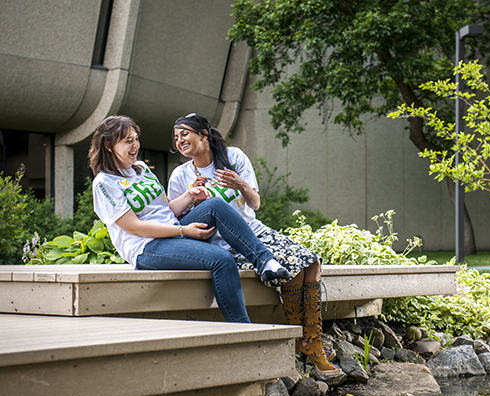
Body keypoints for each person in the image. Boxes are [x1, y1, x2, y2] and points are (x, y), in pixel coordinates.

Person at [167, 113, 343, 380]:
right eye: (176, 137)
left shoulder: (234, 157)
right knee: (293, 269)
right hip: (226, 243)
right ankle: (305, 342)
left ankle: (311, 339)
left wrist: (240, 183)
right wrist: (191, 198)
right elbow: (178, 222)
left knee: (311, 262)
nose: (180, 141)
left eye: (185, 134)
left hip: (256, 232)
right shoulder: (181, 175)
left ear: (203, 134)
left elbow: (255, 203)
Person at [88, 115, 292, 324]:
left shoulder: (140, 168)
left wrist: (190, 195)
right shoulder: (105, 183)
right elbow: (135, 227)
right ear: (109, 146)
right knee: (222, 259)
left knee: (215, 205)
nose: (135, 145)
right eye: (127, 141)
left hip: (172, 232)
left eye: (136, 138)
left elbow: (165, 210)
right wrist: (184, 232)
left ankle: (266, 262)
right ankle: (242, 330)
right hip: (147, 247)